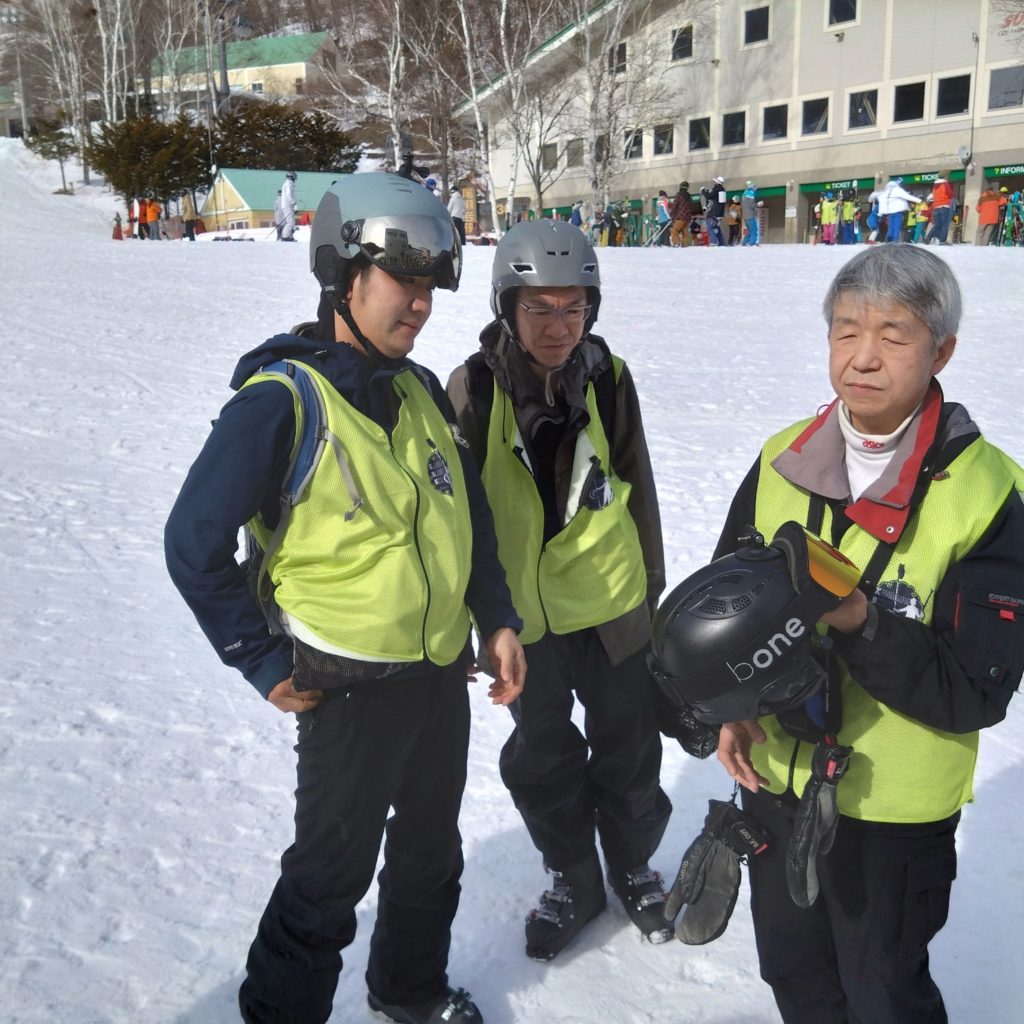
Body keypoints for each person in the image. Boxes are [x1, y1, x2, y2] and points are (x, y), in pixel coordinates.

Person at [165, 172, 527, 1024]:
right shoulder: (281, 402)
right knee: (329, 877)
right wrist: (256, 657)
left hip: (439, 674)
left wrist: (497, 617)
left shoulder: (419, 391)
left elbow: (464, 511)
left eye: (431, 287)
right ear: (344, 275)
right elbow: (192, 543)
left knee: (431, 854)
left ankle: (410, 989)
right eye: (405, 284)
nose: (422, 307)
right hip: (346, 684)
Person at [698, 244, 1024, 1024]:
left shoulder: (990, 492)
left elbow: (974, 689)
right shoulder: (781, 456)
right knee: (794, 977)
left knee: (883, 993)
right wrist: (731, 704)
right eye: (846, 331)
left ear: (941, 349)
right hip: (777, 786)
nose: (864, 358)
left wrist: (860, 620)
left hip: (893, 812)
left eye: (894, 334)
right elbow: (726, 603)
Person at [446, 220, 672, 962]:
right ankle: (576, 877)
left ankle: (633, 866)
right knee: (543, 759)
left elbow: (637, 487)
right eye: (539, 308)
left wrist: (655, 600)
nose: (557, 327)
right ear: (506, 307)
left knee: (630, 750)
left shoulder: (608, 378)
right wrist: (476, 621)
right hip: (526, 622)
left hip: (612, 606)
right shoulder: (473, 388)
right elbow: (456, 516)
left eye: (573, 309)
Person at [878, 176, 919, 243]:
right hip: (898, 212)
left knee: (891, 226)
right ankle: (895, 240)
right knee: (897, 226)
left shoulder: (887, 192)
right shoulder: (898, 190)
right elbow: (908, 197)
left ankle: (888, 239)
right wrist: (919, 200)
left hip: (890, 212)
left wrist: (881, 212)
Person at [926, 174, 954, 244]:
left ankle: (928, 237)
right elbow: (950, 195)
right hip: (944, 205)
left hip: (936, 207)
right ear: (945, 176)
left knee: (937, 224)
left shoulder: (934, 186)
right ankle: (942, 241)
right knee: (945, 224)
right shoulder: (945, 184)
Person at [700, 176, 727, 246]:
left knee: (710, 228)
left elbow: (708, 196)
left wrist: (703, 191)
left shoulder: (716, 190)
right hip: (720, 213)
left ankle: (713, 242)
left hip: (714, 213)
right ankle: (721, 243)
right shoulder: (722, 190)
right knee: (716, 228)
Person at [669, 181, 692, 246]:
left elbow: (674, 206)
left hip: (681, 217)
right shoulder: (689, 196)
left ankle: (677, 243)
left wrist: (670, 214)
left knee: (674, 231)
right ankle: (685, 244)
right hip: (687, 218)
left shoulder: (679, 194)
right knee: (685, 233)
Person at [279, 170, 297, 241]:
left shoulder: (288, 184)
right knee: (290, 222)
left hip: (288, 206)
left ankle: (287, 235)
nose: (295, 179)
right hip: (288, 206)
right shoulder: (288, 184)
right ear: (291, 177)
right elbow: (289, 195)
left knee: (291, 222)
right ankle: (285, 236)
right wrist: (293, 203)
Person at [741, 181, 759, 246]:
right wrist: (757, 205)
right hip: (750, 215)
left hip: (745, 215)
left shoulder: (744, 193)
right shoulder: (751, 193)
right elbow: (751, 204)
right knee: (754, 229)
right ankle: (752, 243)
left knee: (749, 230)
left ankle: (744, 242)